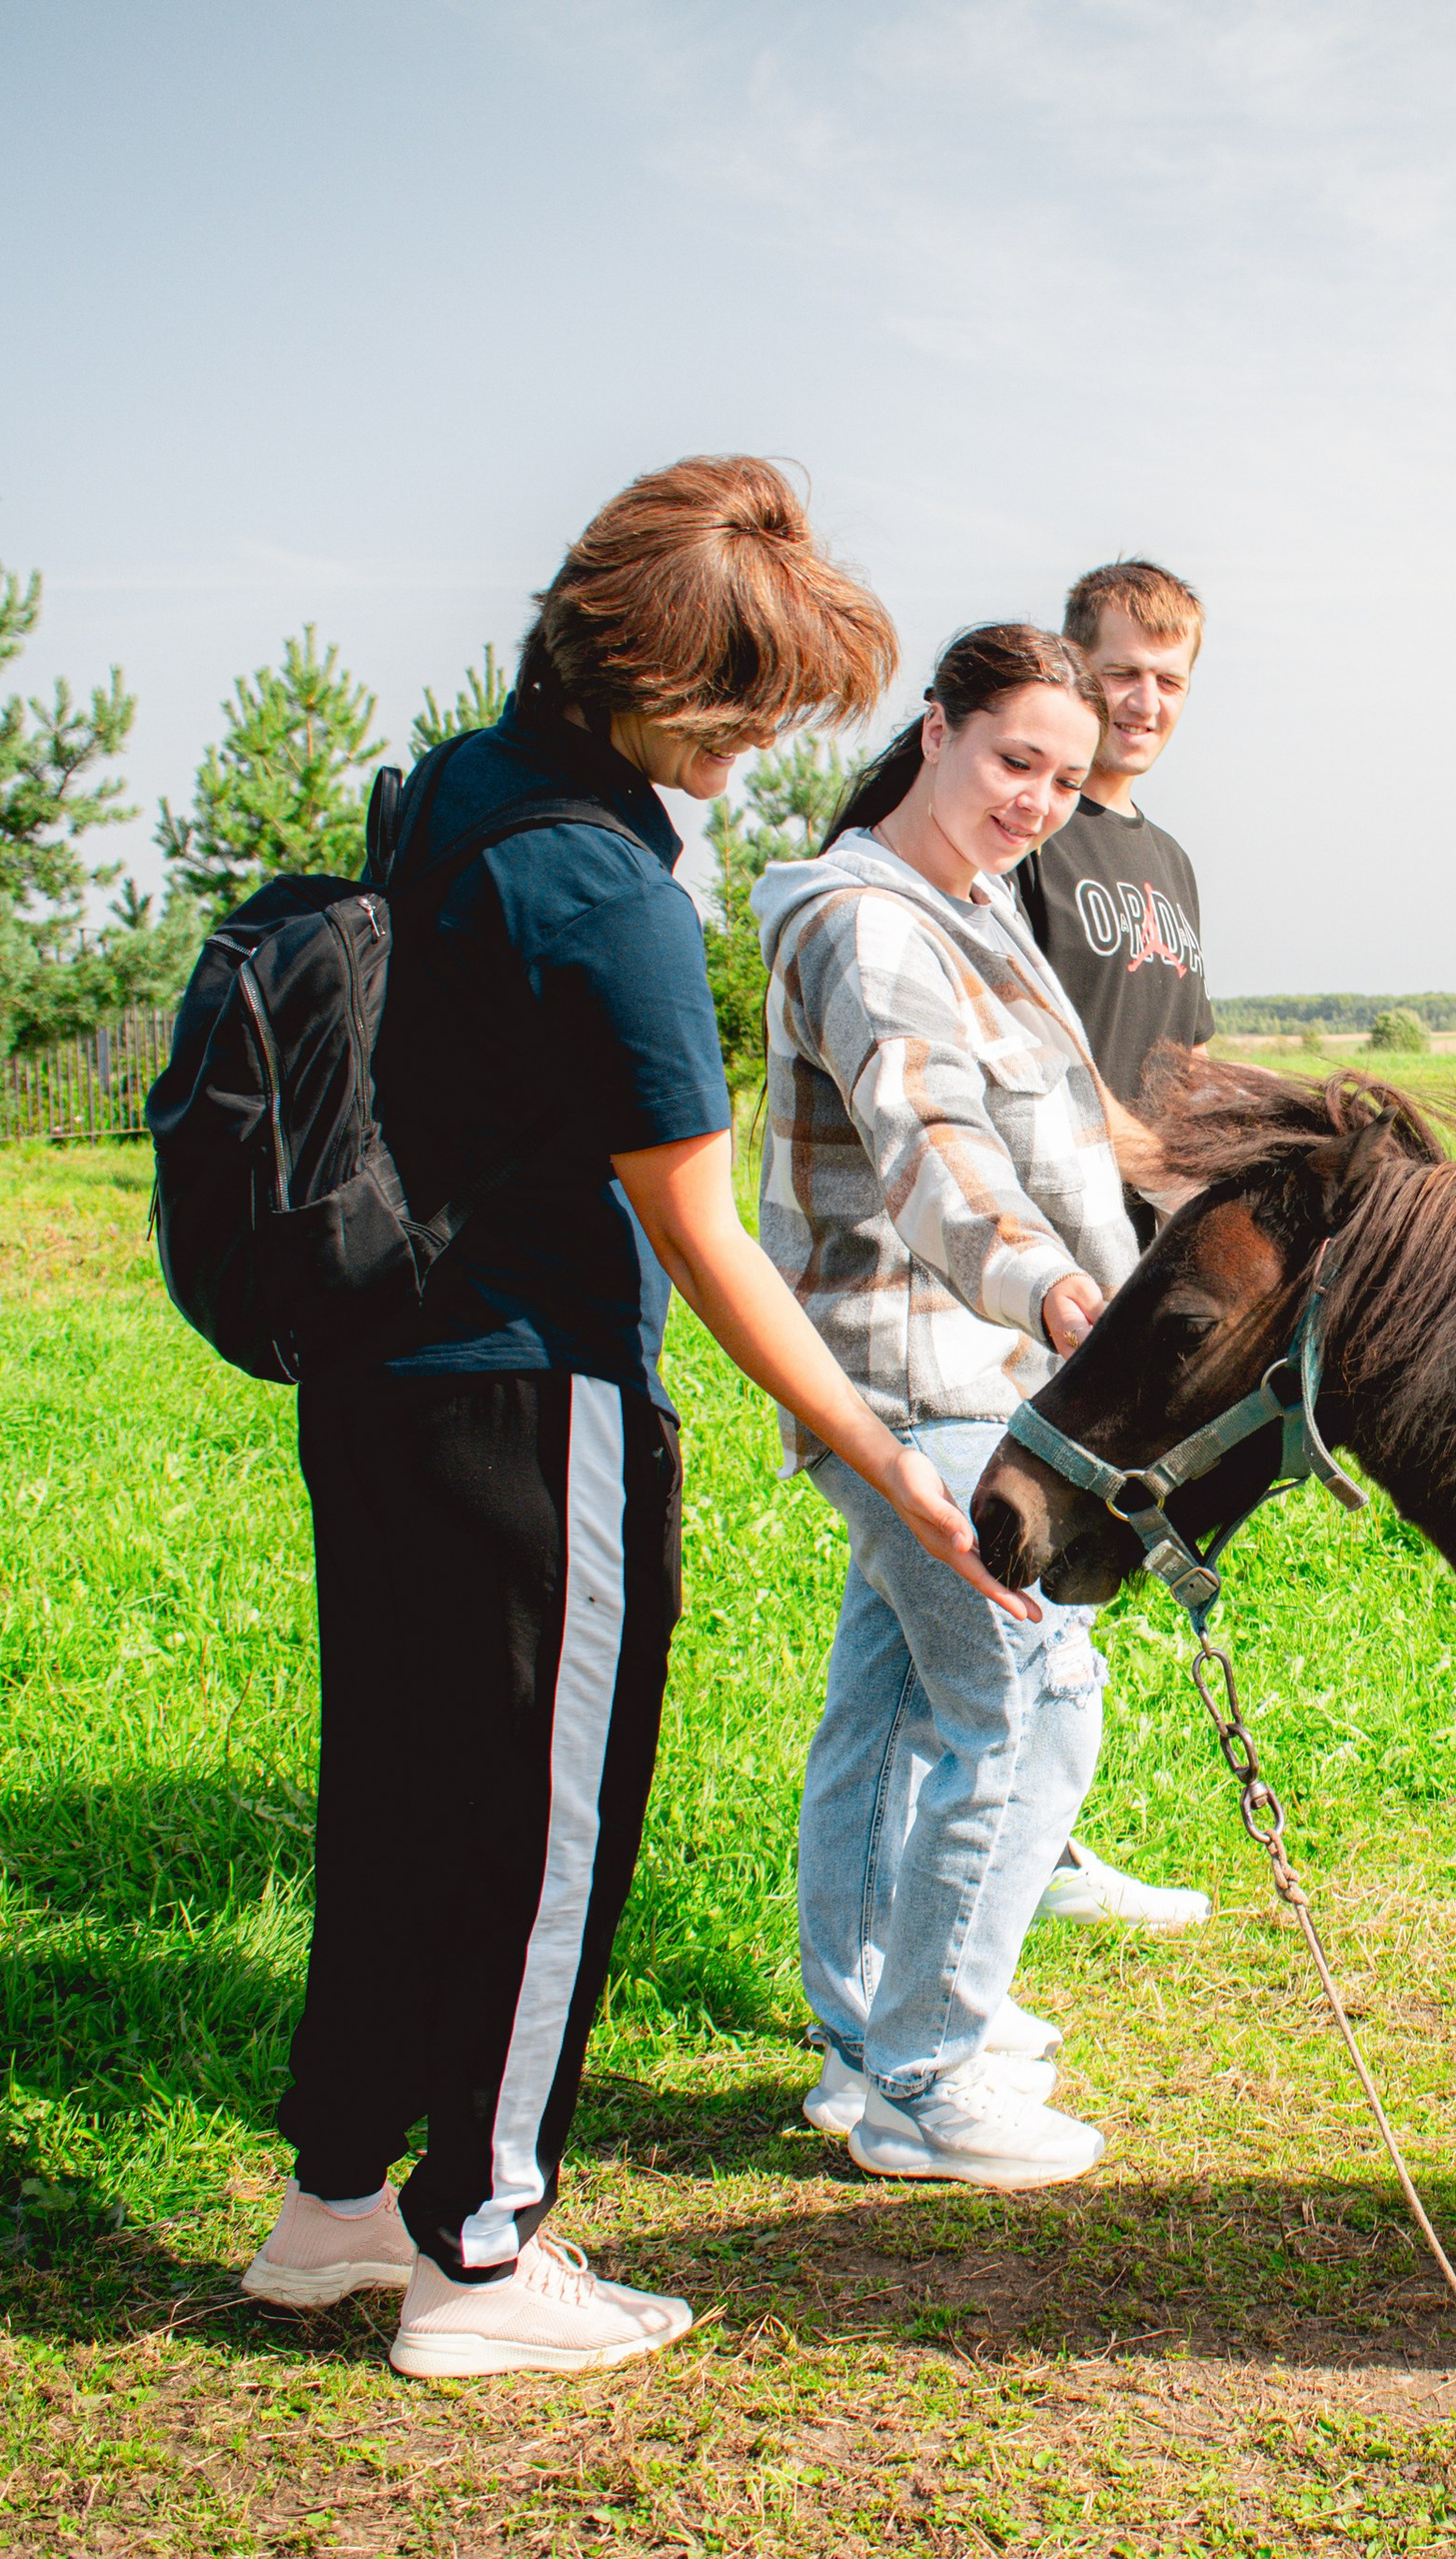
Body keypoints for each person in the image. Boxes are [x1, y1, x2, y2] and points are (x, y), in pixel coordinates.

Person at [240, 458, 1028, 2378]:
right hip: (534, 1406)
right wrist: (894, 1471)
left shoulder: (450, 790)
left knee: (405, 1794)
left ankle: (337, 2205)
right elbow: (703, 1244)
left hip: (375, 1385)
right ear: (664, 693)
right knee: (545, 1835)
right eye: (748, 716)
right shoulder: (609, 892)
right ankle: (485, 2262)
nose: (757, 754)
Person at [755, 623, 1167, 2188]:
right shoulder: (867, 925)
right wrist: (1055, 1291)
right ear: (934, 731)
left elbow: (1067, 1128)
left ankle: (871, 2035)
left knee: (889, 1700)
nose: (1039, 799)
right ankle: (930, 2076)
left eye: (1066, 780)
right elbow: (929, 1141)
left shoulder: (972, 904)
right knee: (1029, 1694)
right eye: (1014, 762)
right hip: (915, 1372)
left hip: (981, 1370)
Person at [1011, 559, 1215, 1931]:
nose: (1144, 703)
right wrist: (1118, 1155)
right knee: (1021, 1526)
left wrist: (1212, 1176)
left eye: (1170, 680)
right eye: (1122, 672)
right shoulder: (1037, 834)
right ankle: (1008, 1841)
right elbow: (1028, 1037)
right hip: (1040, 1237)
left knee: (1093, 1538)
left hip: (1146, 1243)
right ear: (1075, 667)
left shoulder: (1167, 858)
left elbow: (1184, 1050)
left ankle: (1042, 1835)